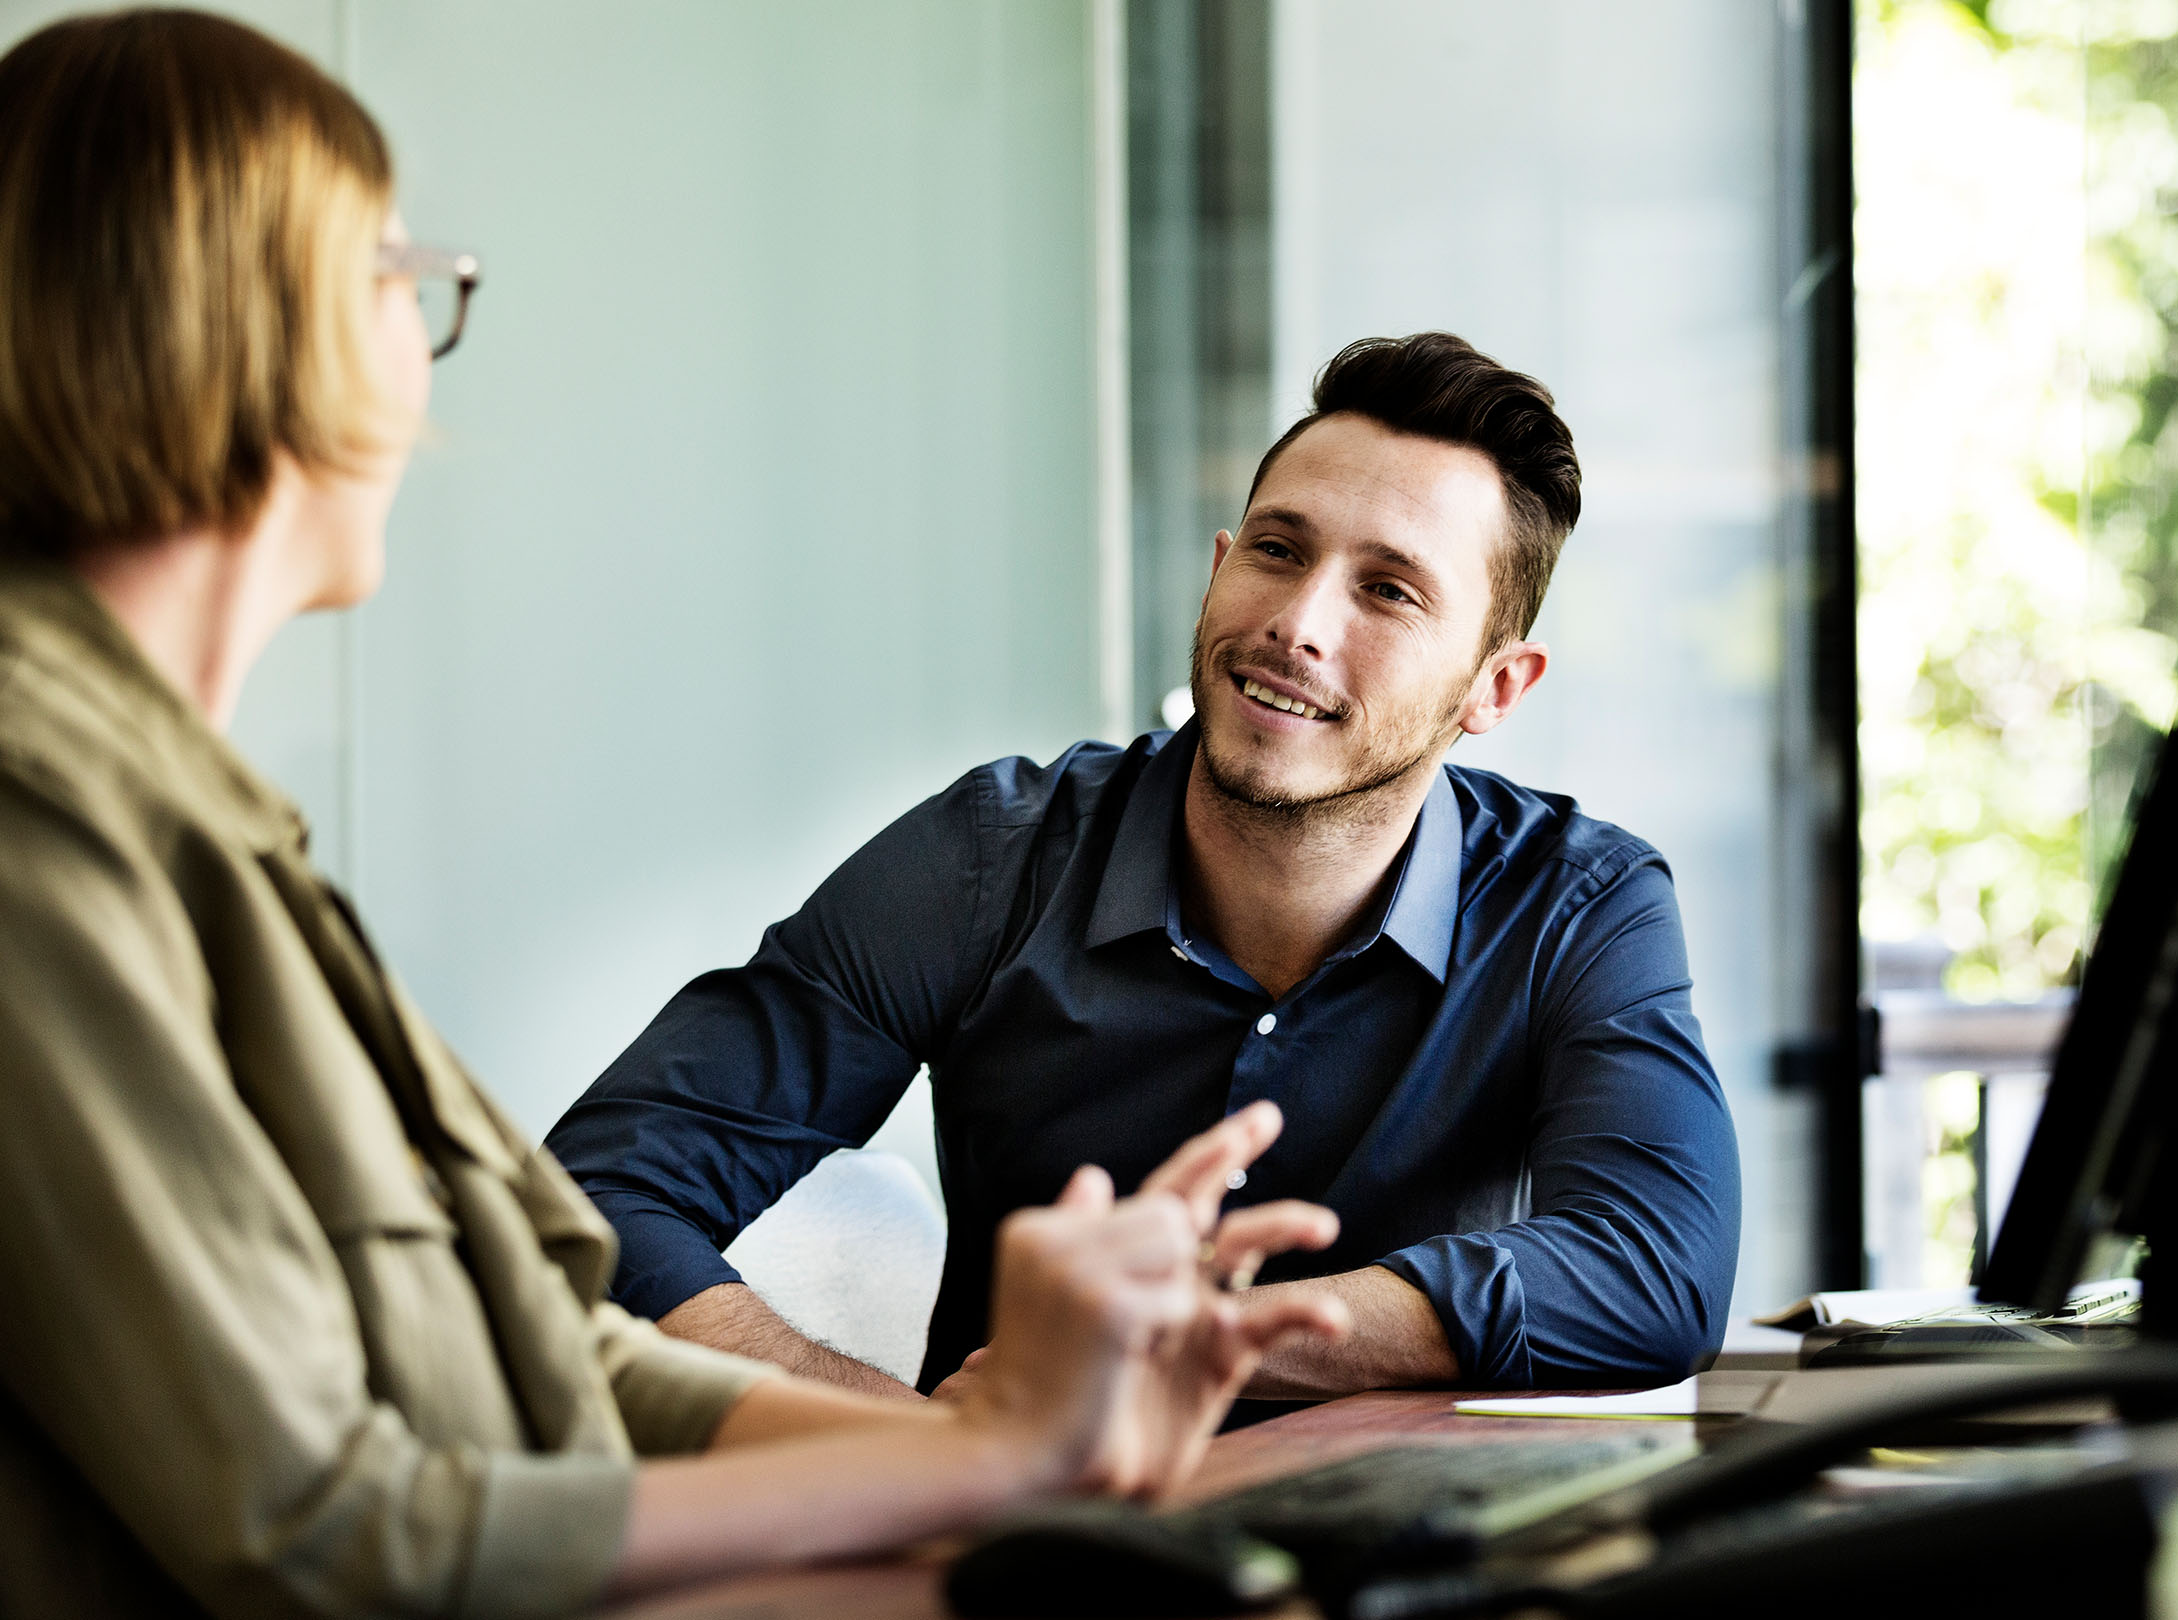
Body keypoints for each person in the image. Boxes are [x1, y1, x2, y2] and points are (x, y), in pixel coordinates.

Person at [0, 12, 1347, 1617]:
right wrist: (977, 1459)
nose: (419, 342)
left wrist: (989, 1448)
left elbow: (547, 1364)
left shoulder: (205, 832)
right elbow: (326, 1527)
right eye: (387, 271)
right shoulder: (41, 827)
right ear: (228, 319)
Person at [548, 332, 1744, 1403]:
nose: (1301, 622)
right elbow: (589, 1199)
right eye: (1277, 551)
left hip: (1385, 1553)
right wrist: (881, 1433)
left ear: (1495, 687)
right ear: (1221, 566)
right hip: (1019, 1553)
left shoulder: (1580, 905)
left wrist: (1201, 1336)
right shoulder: (987, 860)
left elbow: (1655, 1266)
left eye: (1388, 590)